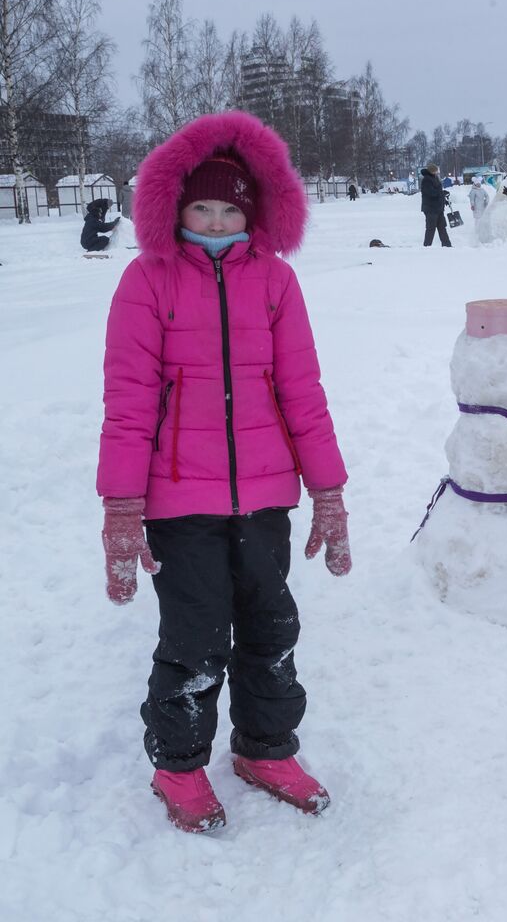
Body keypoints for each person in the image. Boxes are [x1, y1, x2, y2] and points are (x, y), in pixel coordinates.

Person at [97, 111, 352, 834]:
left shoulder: (275, 282)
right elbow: (128, 401)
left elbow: (302, 390)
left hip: (267, 494)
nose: (213, 219)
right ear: (176, 208)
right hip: (179, 500)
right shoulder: (147, 281)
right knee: (196, 634)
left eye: (229, 207)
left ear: (253, 210)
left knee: (272, 625)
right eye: (201, 206)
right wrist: (122, 504)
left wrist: (327, 491)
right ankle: (178, 766)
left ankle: (265, 749)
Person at [420, 163, 452, 247]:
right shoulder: (426, 180)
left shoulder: (435, 178)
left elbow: (437, 193)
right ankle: (427, 246)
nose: (437, 172)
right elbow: (431, 193)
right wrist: (441, 193)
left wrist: (444, 200)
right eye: (435, 171)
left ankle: (447, 245)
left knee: (442, 227)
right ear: (432, 171)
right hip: (430, 209)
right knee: (431, 228)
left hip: (438, 208)